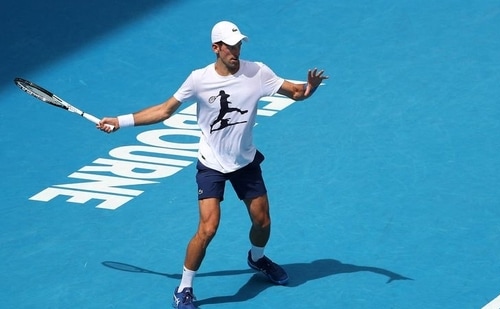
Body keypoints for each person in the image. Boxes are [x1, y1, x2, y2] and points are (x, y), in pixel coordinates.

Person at [97, 20, 328, 309]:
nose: (236, 50)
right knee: (208, 228)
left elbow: (296, 92)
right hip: (212, 165)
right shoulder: (198, 79)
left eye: (239, 44)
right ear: (216, 48)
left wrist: (311, 87)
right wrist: (120, 121)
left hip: (245, 161)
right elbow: (164, 110)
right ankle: (184, 288)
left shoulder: (258, 72)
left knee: (263, 221)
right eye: (230, 46)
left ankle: (257, 259)